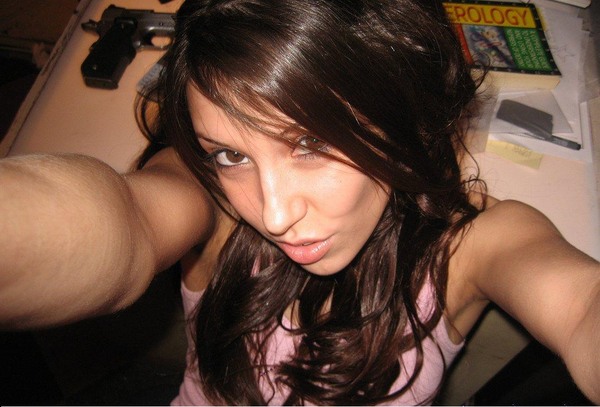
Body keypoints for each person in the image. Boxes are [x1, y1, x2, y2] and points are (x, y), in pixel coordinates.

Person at [0, 0, 598, 404]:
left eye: (311, 144)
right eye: (230, 153)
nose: (274, 213)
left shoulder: (468, 248)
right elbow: (120, 222)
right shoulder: (213, 199)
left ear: (403, 107)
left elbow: (580, 307)